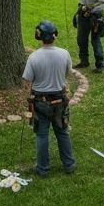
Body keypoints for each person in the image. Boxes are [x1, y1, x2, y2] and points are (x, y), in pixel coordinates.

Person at [22, 20, 76, 177]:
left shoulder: (33, 57)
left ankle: (43, 169)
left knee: (42, 135)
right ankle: (69, 164)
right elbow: (67, 74)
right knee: (62, 132)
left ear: (38, 36)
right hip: (60, 100)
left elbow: (27, 80)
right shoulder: (64, 54)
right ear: (55, 35)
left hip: (40, 102)